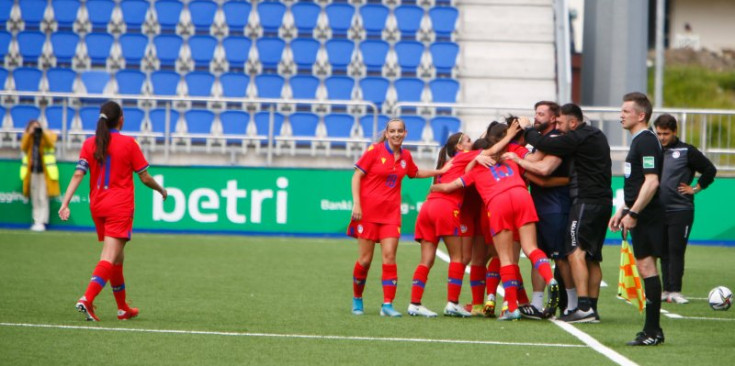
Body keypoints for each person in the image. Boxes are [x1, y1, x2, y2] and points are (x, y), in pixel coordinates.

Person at [431, 123, 560, 321]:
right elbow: (537, 173)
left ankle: (510, 307)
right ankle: (550, 279)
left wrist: (434, 189)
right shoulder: (510, 159)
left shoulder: (473, 170)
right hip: (521, 196)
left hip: (497, 203)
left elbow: (451, 186)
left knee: (504, 257)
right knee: (532, 248)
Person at [58, 101, 167, 321]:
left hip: (97, 205)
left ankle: (122, 308)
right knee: (109, 256)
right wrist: (161, 189)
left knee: (117, 258)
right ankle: (87, 299)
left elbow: (79, 174)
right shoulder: (128, 144)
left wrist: (65, 202)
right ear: (121, 120)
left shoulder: (90, 143)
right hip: (119, 206)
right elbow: (144, 176)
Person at [519, 103, 612, 323]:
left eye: (560, 122)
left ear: (572, 122)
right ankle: (591, 308)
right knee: (591, 257)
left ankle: (582, 307)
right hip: (600, 201)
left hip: (586, 201)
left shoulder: (578, 136)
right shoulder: (593, 135)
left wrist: (525, 130)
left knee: (573, 253)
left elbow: (544, 159)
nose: (558, 127)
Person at [348, 118, 448, 317]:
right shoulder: (373, 151)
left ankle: (387, 304)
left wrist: (440, 171)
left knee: (390, 257)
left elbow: (415, 172)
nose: (396, 134)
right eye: (392, 131)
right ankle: (357, 298)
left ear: (405, 133)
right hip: (368, 213)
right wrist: (357, 204)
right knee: (365, 260)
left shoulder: (406, 156)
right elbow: (356, 176)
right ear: (386, 133)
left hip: (391, 215)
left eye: (399, 131)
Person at [503, 101, 576, 319]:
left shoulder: (556, 140)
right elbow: (533, 163)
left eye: (541, 113)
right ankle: (536, 303)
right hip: (538, 206)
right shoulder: (540, 142)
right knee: (538, 255)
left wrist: (519, 165)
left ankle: (572, 305)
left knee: (561, 257)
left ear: (554, 118)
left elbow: (544, 171)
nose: (536, 117)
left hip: (556, 206)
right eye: (536, 112)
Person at [609, 92, 665, 346]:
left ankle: (652, 332)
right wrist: (623, 209)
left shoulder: (646, 142)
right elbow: (637, 182)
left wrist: (633, 213)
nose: (621, 115)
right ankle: (654, 330)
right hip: (640, 213)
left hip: (649, 216)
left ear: (640, 115)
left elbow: (652, 182)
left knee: (647, 267)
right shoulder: (638, 141)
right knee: (645, 267)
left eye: (626, 111)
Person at [408, 132, 475, 318]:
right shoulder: (463, 157)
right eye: (469, 140)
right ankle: (453, 303)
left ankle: (415, 304)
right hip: (445, 209)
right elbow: (489, 149)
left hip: (427, 208)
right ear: (459, 147)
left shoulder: (446, 164)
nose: (473, 142)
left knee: (426, 261)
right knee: (458, 257)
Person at [654, 113, 716, 304]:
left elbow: (710, 170)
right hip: (658, 210)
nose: (662, 137)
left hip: (681, 209)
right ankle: (666, 290)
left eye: (665, 133)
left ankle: (676, 290)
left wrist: (695, 188)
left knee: (676, 250)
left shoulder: (687, 151)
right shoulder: (654, 150)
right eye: (658, 133)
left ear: (674, 132)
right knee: (663, 251)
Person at [20, 120, 60, 232]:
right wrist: (29, 134)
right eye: (34, 127)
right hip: (32, 171)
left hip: (44, 172)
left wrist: (42, 133)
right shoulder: (28, 138)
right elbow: (23, 147)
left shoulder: (45, 137)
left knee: (42, 197)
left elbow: (50, 144)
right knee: (35, 198)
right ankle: (36, 221)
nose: (36, 130)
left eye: (38, 127)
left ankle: (42, 221)